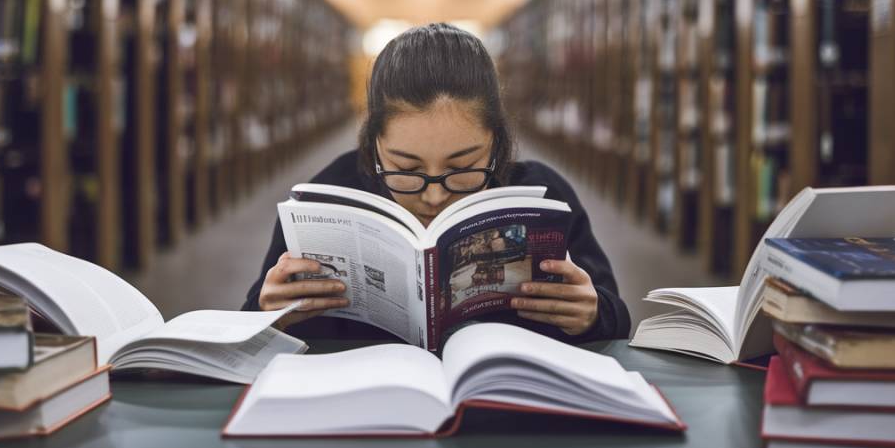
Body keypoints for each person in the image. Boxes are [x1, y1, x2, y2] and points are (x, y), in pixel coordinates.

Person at [241, 22, 631, 344]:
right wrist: (269, 316)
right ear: (374, 141)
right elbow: (251, 321)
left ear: (496, 141)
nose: (434, 194)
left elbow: (613, 318)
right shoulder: (326, 197)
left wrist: (592, 313)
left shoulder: (545, 197)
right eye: (405, 168)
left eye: (463, 167)